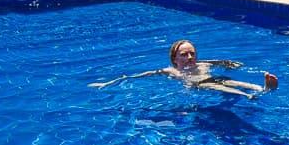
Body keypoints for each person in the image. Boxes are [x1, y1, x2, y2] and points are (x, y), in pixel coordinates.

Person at [96, 39, 279, 99]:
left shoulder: (203, 64)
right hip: (197, 85)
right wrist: (110, 82)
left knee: (232, 82)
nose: (190, 57)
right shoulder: (171, 71)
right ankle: (247, 96)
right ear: (174, 59)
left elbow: (220, 62)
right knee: (216, 86)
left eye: (192, 54)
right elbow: (137, 76)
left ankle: (262, 89)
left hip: (212, 79)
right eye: (184, 55)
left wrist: (230, 63)